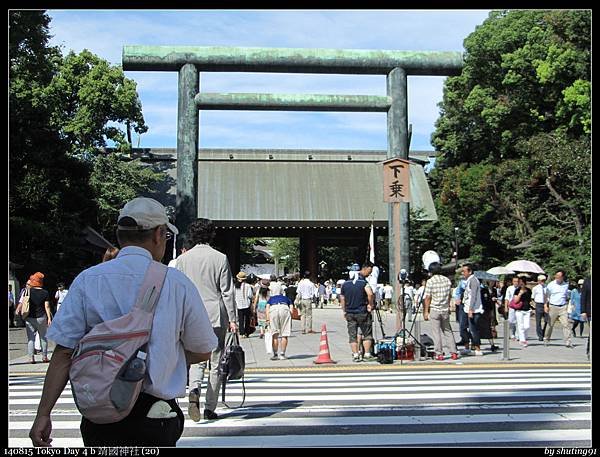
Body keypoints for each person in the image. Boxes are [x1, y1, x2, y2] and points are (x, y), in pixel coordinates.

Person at [29, 197, 217, 447]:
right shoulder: (176, 282)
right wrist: (164, 353)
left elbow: (64, 352)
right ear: (159, 234)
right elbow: (203, 349)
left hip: (100, 412)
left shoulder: (88, 279)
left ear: (119, 235)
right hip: (156, 413)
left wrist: (43, 414)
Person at [174, 218, 238, 422]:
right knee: (216, 361)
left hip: (191, 313)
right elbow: (227, 292)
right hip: (214, 313)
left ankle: (194, 388)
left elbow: (178, 290)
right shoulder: (219, 258)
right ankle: (210, 406)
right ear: (211, 235)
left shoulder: (183, 259)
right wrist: (233, 319)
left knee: (196, 358)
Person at [340, 261, 376, 362]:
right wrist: (370, 304)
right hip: (362, 311)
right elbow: (370, 294)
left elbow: (342, 298)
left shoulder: (345, 284)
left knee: (352, 335)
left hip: (350, 312)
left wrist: (344, 310)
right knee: (366, 333)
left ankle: (355, 354)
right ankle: (367, 353)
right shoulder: (363, 283)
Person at [423, 262, 459, 361]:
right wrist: (447, 306)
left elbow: (427, 297)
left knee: (436, 332)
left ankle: (439, 353)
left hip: (435, 309)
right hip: (445, 309)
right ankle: (454, 352)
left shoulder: (431, 281)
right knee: (448, 331)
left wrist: (426, 311)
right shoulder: (447, 280)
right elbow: (449, 295)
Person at [16, 272, 52, 364]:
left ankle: (31, 358)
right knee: (43, 338)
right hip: (41, 318)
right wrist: (49, 318)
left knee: (31, 339)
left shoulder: (27, 291)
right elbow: (47, 307)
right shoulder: (45, 293)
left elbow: (23, 303)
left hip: (29, 317)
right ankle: (44, 357)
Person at [544, 270, 572, 348]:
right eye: (556, 276)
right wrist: (546, 305)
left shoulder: (566, 285)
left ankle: (568, 341)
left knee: (566, 324)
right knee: (550, 325)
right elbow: (546, 296)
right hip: (553, 306)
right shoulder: (551, 285)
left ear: (562, 277)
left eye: (559, 276)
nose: (557, 277)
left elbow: (567, 296)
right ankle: (546, 339)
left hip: (563, 307)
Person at [462, 264, 484, 356]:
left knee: (473, 329)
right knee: (463, 327)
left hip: (474, 309)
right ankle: (467, 346)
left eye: (464, 271)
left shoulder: (474, 280)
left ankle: (477, 348)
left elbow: (474, 296)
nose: (463, 273)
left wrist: (471, 309)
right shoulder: (468, 280)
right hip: (466, 308)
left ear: (470, 271)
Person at [266, 293, 293, 360]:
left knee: (274, 335)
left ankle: (275, 354)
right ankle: (282, 354)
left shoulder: (271, 299)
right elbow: (291, 310)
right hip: (285, 308)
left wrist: (267, 319)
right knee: (284, 334)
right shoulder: (287, 298)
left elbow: (267, 308)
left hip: (273, 309)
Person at [513, 276, 532, 347]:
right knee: (520, 325)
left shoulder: (529, 290)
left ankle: (523, 337)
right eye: (519, 282)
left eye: (522, 282)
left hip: (527, 310)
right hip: (519, 310)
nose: (521, 284)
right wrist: (520, 294)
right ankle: (522, 340)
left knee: (527, 326)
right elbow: (515, 301)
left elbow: (530, 300)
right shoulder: (517, 290)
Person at [234, 272, 254, 338]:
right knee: (247, 319)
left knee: (241, 319)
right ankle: (246, 332)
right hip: (246, 304)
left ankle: (241, 332)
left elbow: (234, 295)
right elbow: (250, 295)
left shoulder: (235, 286)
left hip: (239, 305)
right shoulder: (248, 286)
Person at [532, 275, 548, 341]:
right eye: (541, 280)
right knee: (538, 321)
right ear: (538, 281)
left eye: (544, 280)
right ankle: (540, 335)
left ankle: (544, 332)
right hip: (539, 304)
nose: (543, 282)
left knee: (547, 320)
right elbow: (533, 297)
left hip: (546, 304)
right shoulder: (535, 288)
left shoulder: (547, 288)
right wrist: (534, 305)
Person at [580, 276, 591, 359]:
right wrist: (583, 311)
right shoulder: (588, 281)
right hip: (590, 311)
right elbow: (583, 297)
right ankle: (589, 351)